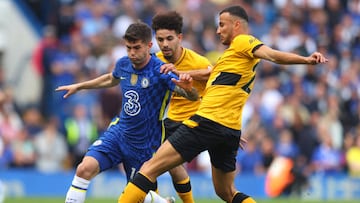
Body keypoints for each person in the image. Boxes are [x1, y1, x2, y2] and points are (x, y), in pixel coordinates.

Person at [118, 5, 328, 203]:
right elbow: (211, 79)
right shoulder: (231, 57)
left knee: (149, 168)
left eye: (222, 25)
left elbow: (272, 55)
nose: (218, 31)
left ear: (236, 25)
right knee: (226, 192)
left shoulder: (244, 42)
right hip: (229, 129)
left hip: (208, 122)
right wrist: (182, 73)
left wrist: (306, 60)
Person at [56, 22, 198, 203]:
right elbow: (111, 78)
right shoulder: (123, 64)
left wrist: (189, 88)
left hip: (144, 144)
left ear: (148, 46)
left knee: (140, 198)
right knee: (84, 169)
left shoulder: (160, 70)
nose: (132, 53)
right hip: (119, 133)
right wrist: (80, 86)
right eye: (128, 48)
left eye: (137, 48)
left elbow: (191, 96)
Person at [147, 10, 212, 203]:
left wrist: (182, 71)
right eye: (160, 39)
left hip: (196, 120)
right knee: (165, 163)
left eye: (169, 38)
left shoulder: (198, 60)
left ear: (180, 38)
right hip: (171, 120)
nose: (165, 44)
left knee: (156, 162)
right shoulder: (155, 60)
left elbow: (212, 73)